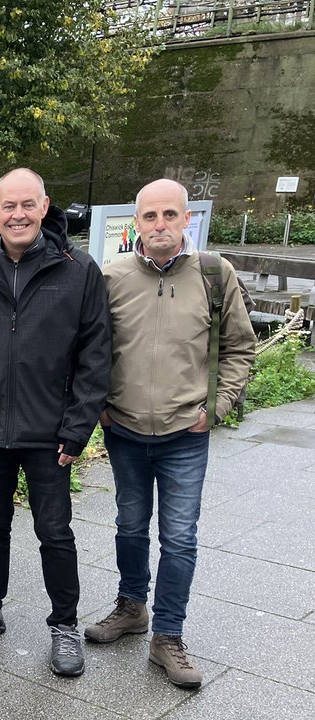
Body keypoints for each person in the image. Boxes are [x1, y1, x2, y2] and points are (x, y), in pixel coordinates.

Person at [0, 168, 111, 677]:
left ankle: (64, 626)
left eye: (27, 205)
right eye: (8, 206)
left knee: (55, 532)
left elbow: (95, 359)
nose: (17, 215)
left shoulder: (77, 271)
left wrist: (77, 428)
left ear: (44, 205)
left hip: (50, 434)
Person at [87, 178, 254, 689]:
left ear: (187, 220)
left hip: (186, 431)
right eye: (150, 216)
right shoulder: (112, 277)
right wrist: (99, 408)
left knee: (179, 537)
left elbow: (240, 349)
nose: (159, 225)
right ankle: (132, 606)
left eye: (169, 215)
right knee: (130, 526)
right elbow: (90, 350)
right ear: (136, 222)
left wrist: (218, 407)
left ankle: (168, 635)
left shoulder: (214, 274)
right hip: (126, 428)